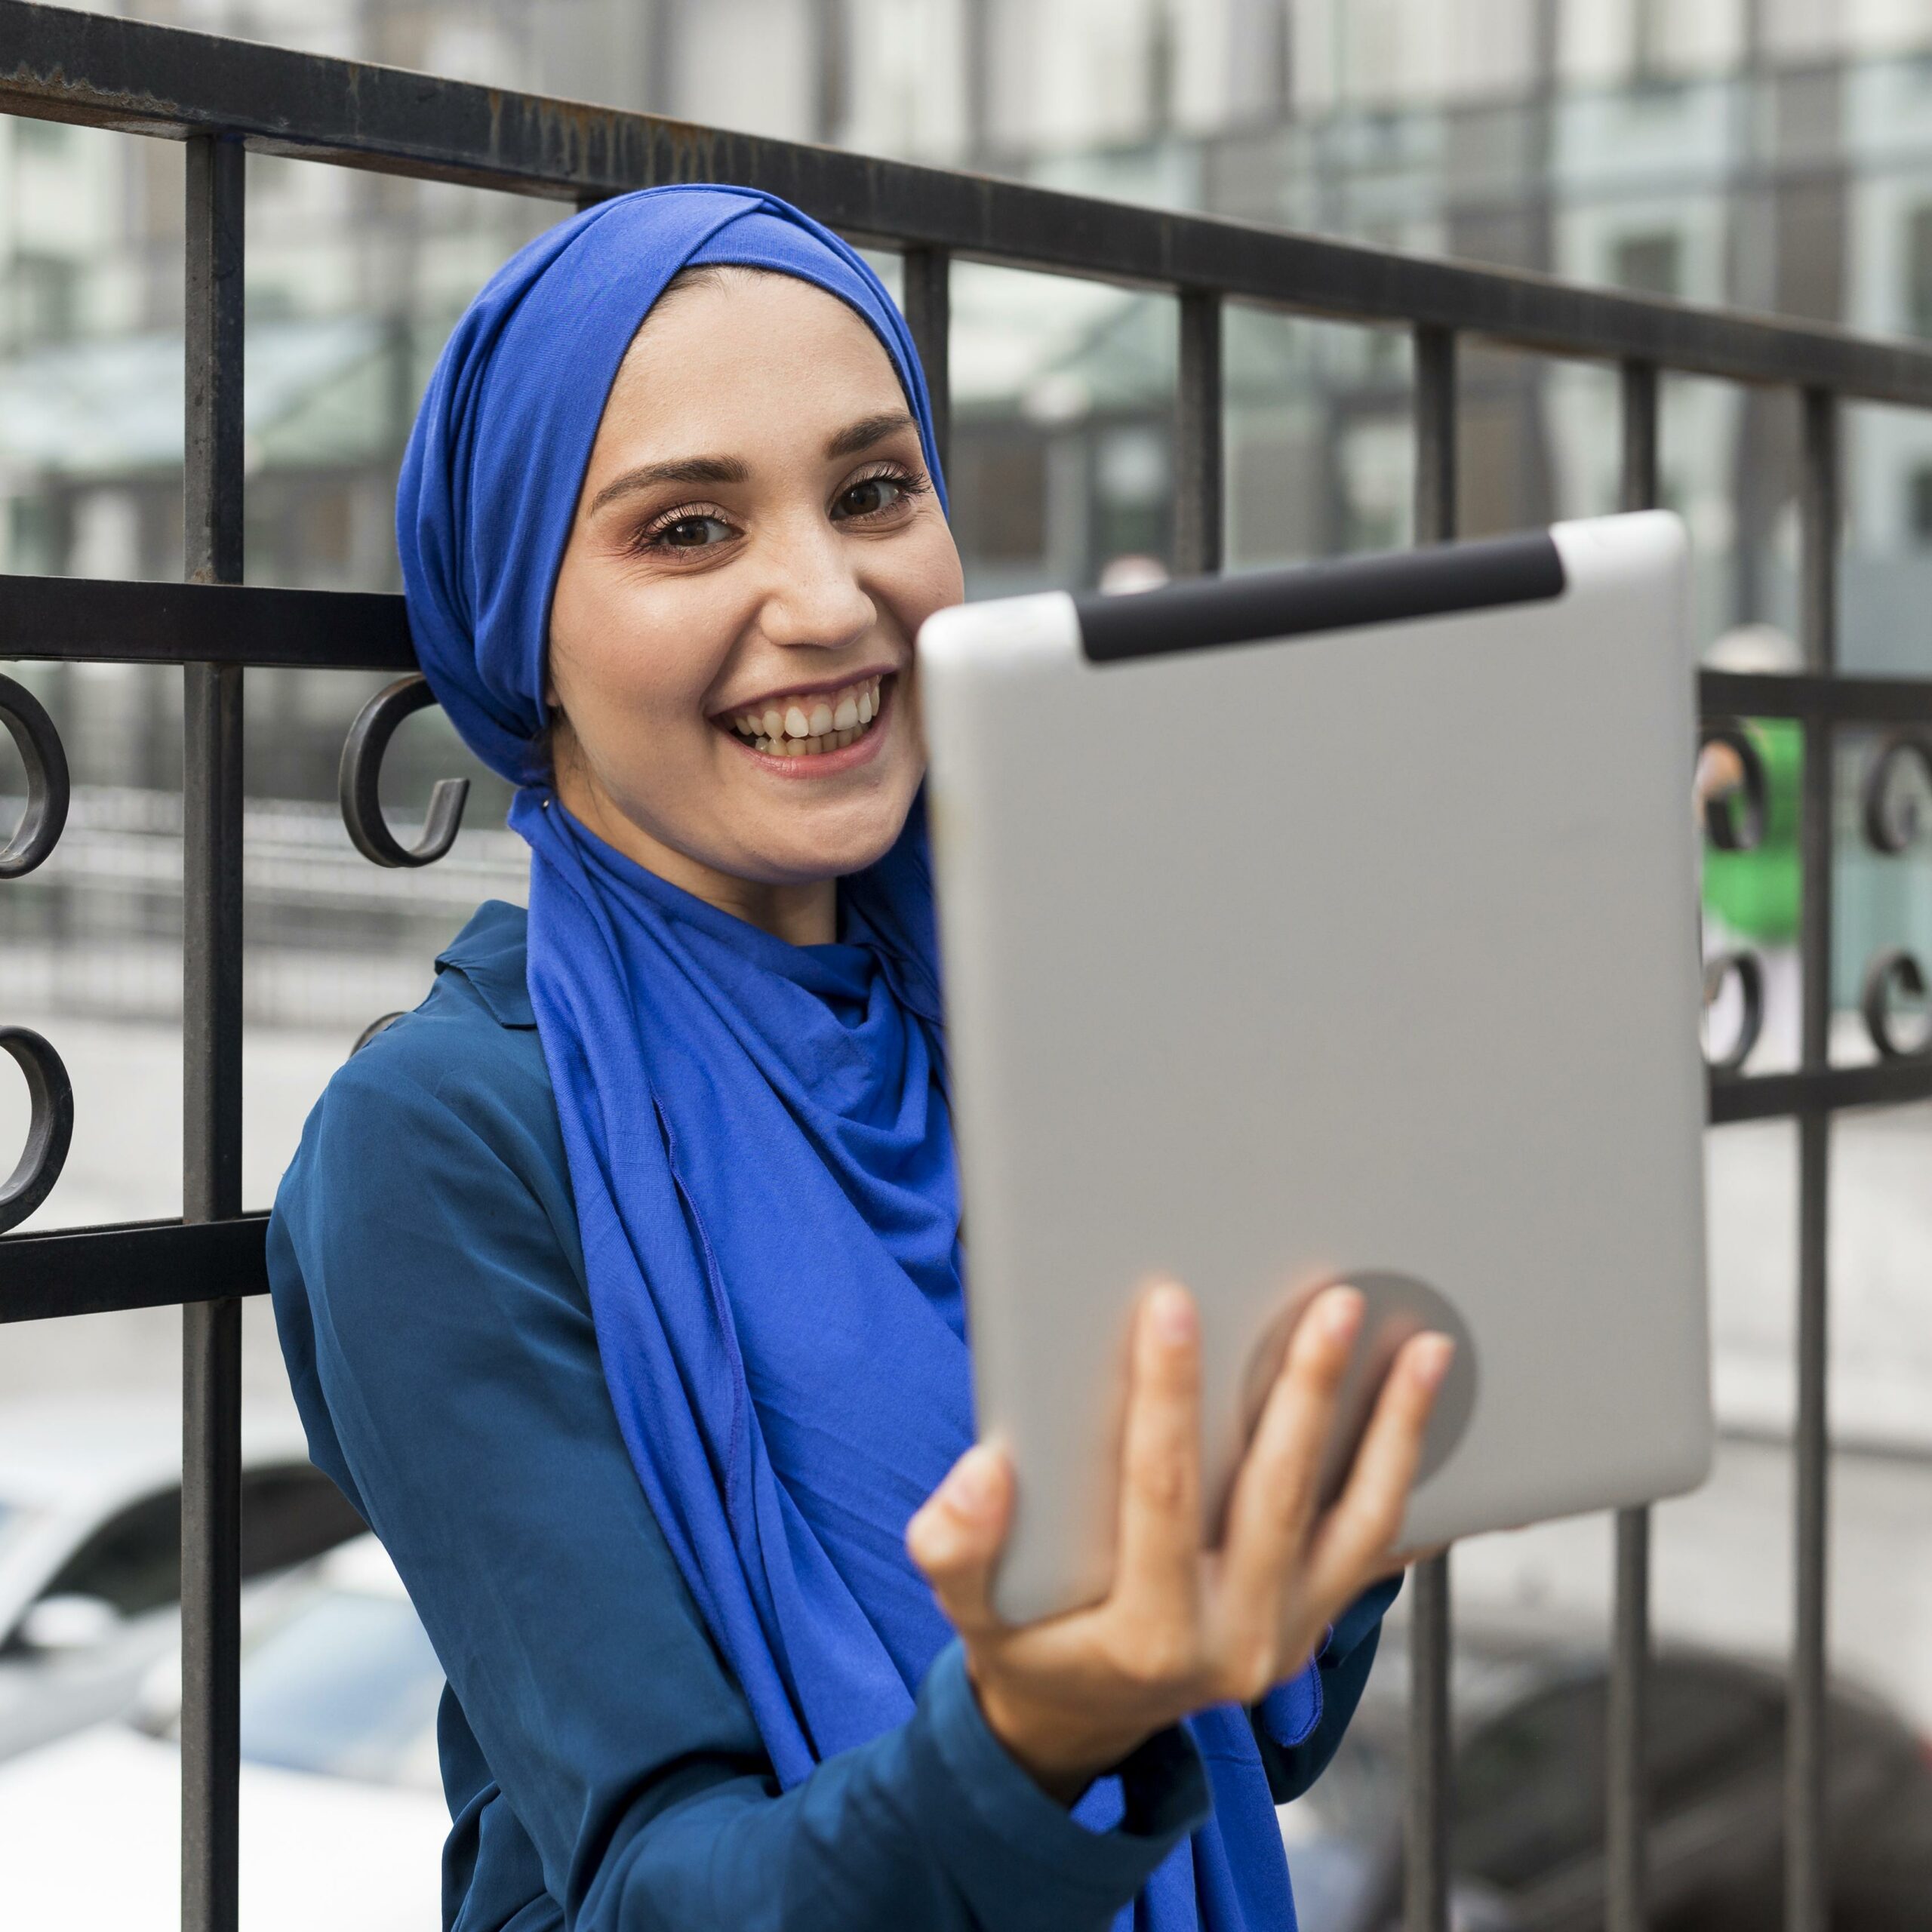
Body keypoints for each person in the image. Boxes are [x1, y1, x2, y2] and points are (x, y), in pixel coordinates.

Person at [269, 185, 1453, 1932]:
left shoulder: (1040, 1016)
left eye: (874, 491)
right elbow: (657, 1883)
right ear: (525, 627)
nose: (826, 600)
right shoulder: (444, 1143)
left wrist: (1374, 1390)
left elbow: (1256, 1719)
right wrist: (1028, 1735)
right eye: (685, 530)